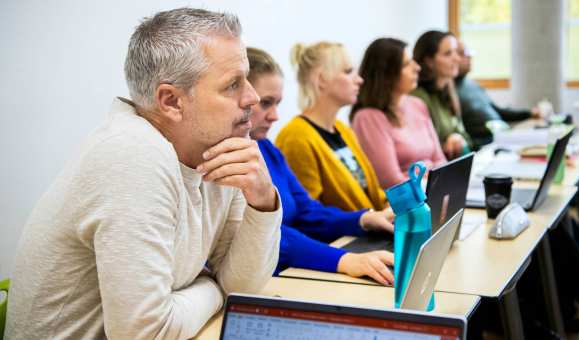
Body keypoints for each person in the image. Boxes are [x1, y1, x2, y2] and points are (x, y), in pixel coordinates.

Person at [6, 8, 282, 339]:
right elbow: (143, 332)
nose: (252, 97)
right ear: (171, 101)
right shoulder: (132, 153)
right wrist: (213, 288)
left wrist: (263, 201)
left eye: (246, 78)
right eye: (233, 85)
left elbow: (242, 289)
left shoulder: (219, 146)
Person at [247, 47, 395, 285]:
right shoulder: (231, 160)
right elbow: (268, 234)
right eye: (265, 103)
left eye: (277, 103)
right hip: (277, 277)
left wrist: (363, 220)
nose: (275, 115)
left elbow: (307, 212)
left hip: (297, 266)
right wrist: (343, 259)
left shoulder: (267, 149)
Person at [276, 41, 388, 212]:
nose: (359, 80)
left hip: (370, 230)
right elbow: (310, 214)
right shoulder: (295, 137)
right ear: (321, 80)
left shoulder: (342, 129)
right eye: (348, 72)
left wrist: (396, 208)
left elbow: (370, 193)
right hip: (344, 237)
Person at [351, 38, 447, 189]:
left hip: (433, 194)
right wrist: (431, 178)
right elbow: (390, 181)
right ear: (386, 74)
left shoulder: (418, 104)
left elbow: (440, 160)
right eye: (407, 64)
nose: (417, 68)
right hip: (406, 206)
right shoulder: (367, 117)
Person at [455, 40, 542, 147]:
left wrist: (529, 113)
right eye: (463, 53)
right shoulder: (450, 90)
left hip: (502, 137)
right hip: (485, 144)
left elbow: (498, 111)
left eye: (468, 52)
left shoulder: (472, 84)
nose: (469, 57)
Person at [411, 30, 472, 159]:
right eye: (448, 53)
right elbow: (424, 149)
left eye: (456, 52)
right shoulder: (418, 97)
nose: (457, 58)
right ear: (429, 61)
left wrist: (458, 137)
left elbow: (466, 138)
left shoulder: (448, 91)